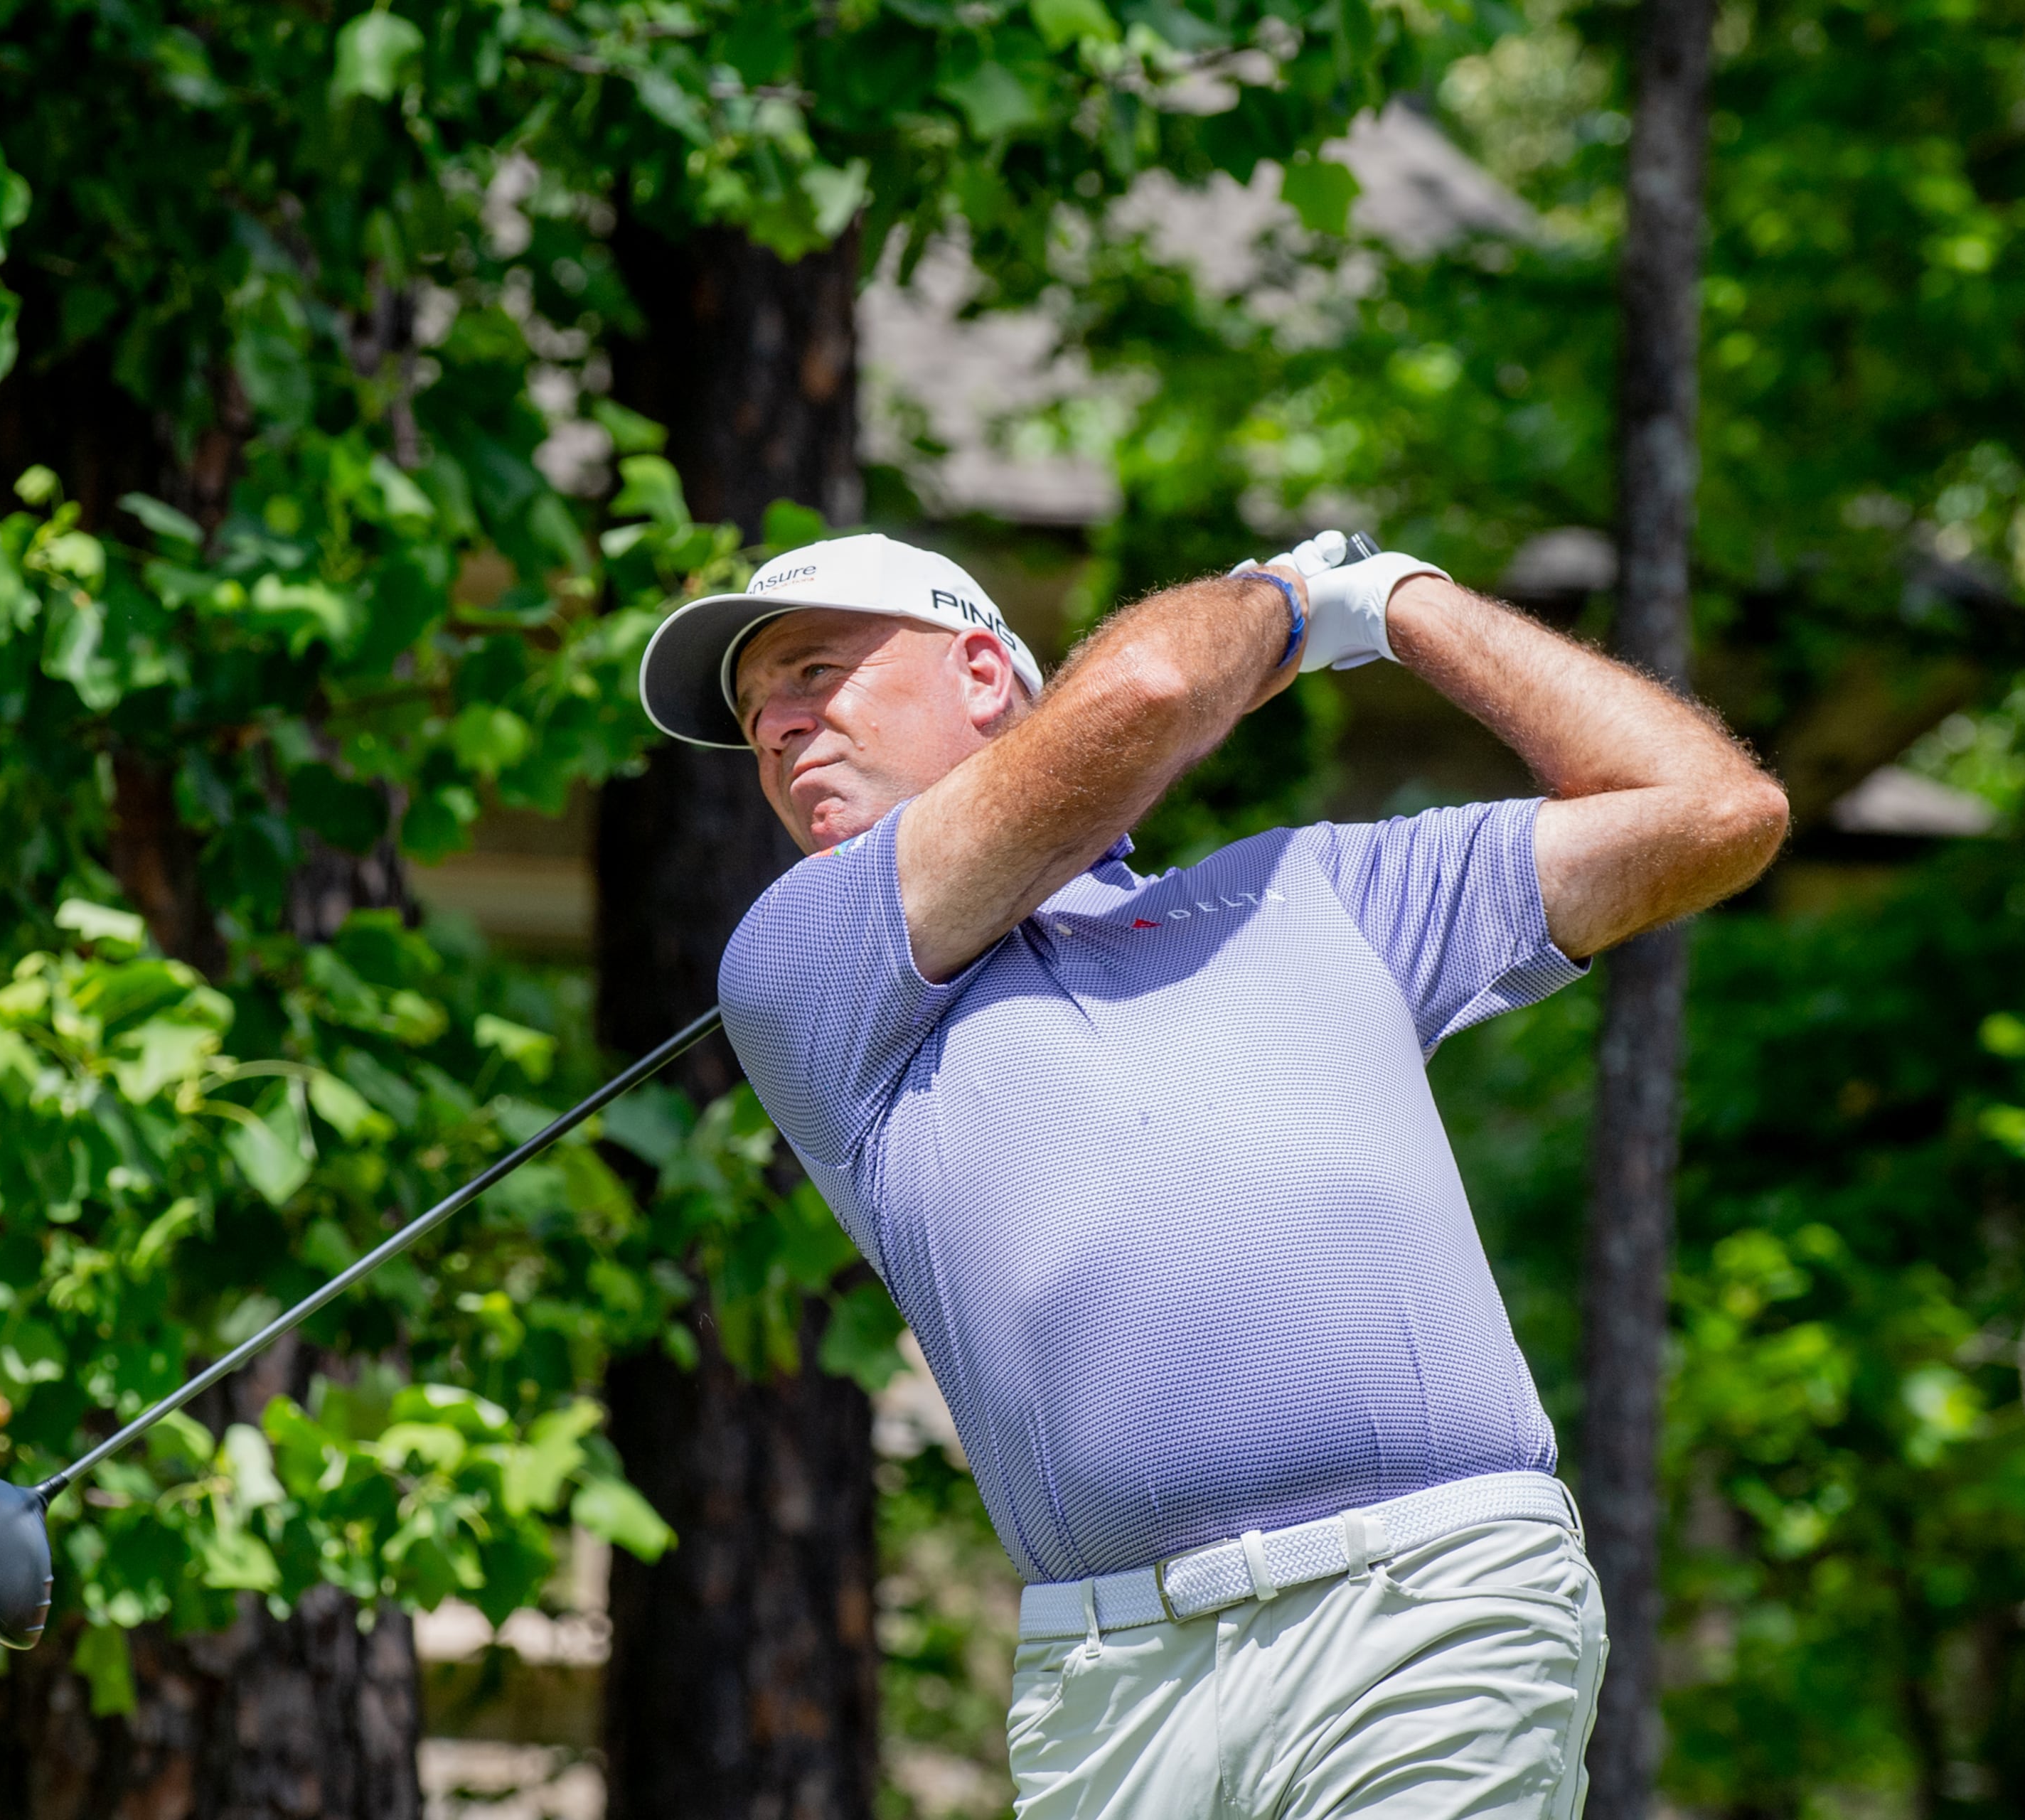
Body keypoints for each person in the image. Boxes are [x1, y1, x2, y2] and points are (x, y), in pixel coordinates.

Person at [635, 530, 1789, 1819]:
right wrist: (1291, 604)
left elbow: (1714, 811)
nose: (778, 732)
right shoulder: (803, 968)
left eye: (812, 672)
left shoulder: (1317, 888)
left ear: (979, 673)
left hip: (1426, 1612)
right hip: (1112, 1688)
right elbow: (1149, 694)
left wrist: (1404, 604)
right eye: (752, 719)